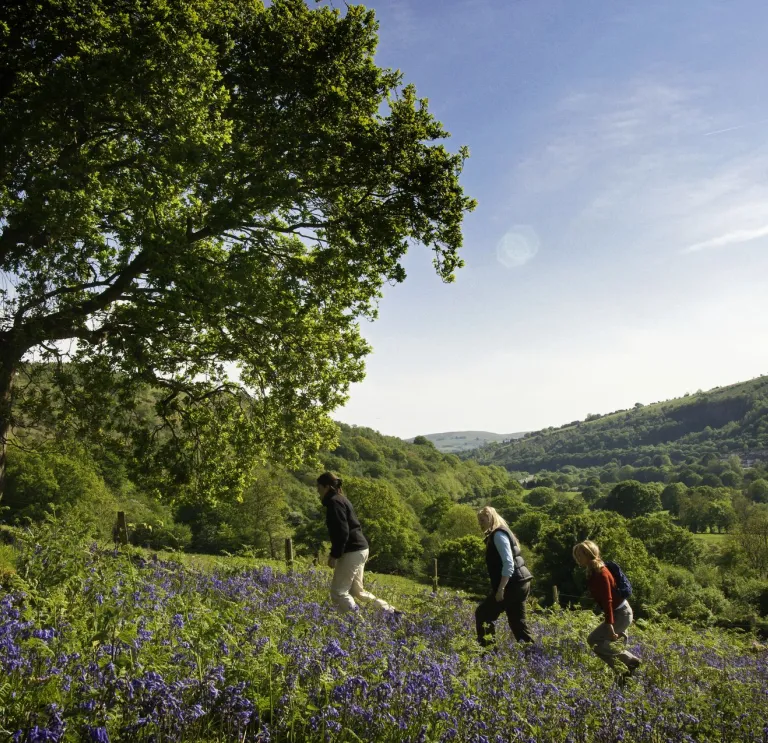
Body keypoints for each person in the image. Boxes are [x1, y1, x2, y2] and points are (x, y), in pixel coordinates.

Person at [317, 472, 398, 615]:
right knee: (357, 591)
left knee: (338, 592)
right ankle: (391, 612)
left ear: (327, 487)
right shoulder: (342, 499)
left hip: (352, 551)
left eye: (319, 488)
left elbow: (342, 532)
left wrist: (334, 555)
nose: (318, 492)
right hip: (361, 548)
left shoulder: (334, 502)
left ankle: (354, 622)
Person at [572, 539, 641, 674]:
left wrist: (610, 625)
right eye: (577, 555)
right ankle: (625, 668)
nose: (578, 558)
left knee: (594, 640)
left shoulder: (600, 573)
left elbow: (607, 600)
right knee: (602, 643)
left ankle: (627, 665)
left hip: (621, 613)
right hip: (619, 612)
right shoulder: (594, 570)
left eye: (581, 555)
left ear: (590, 554)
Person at [475, 506, 534, 647]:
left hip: (512, 584)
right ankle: (534, 656)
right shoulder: (501, 533)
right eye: (479, 521)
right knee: (518, 625)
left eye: (482, 520)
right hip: (521, 582)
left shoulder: (498, 535)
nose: (480, 524)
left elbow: (508, 564)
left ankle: (488, 654)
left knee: (483, 614)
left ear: (491, 518)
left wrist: (501, 588)